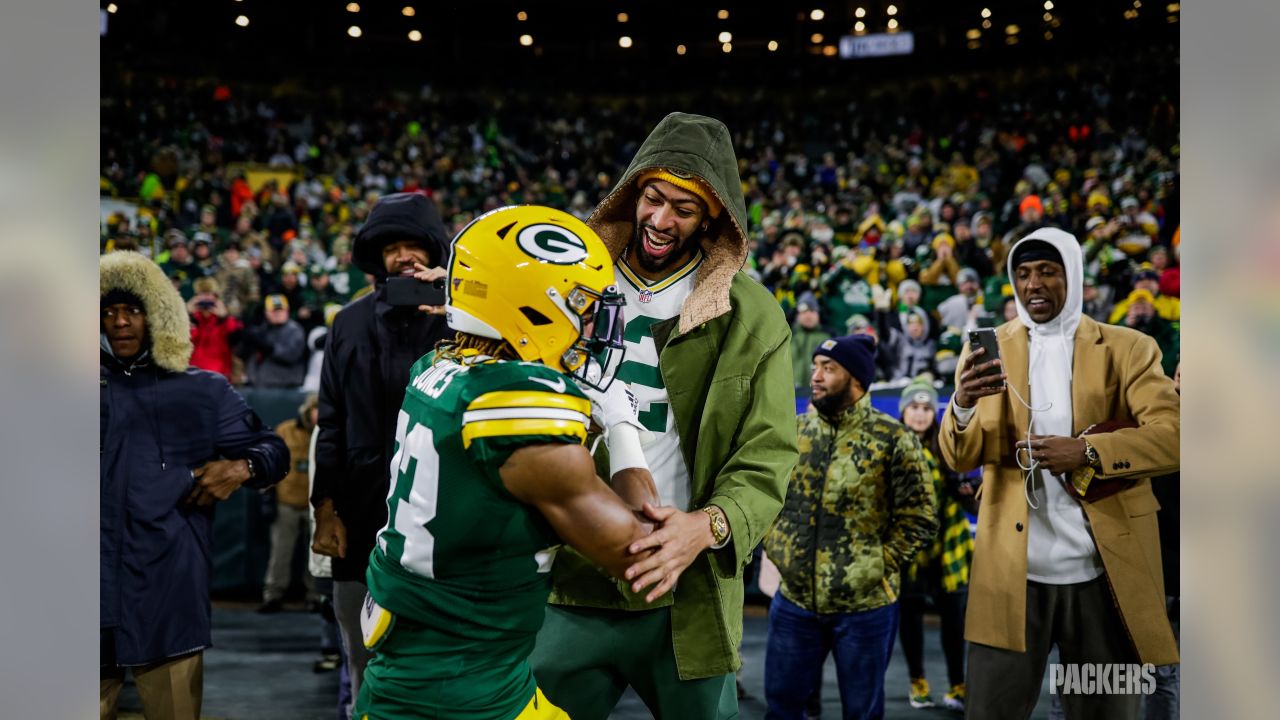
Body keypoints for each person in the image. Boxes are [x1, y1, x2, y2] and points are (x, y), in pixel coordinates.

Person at [531, 111, 799, 720]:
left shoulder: (752, 313)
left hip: (690, 590)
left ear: (712, 218)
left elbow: (769, 452)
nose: (660, 220)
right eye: (653, 198)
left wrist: (707, 526)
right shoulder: (564, 285)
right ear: (632, 194)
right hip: (567, 582)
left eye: (684, 208)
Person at [353, 205, 660, 719]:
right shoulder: (516, 411)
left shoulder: (438, 367)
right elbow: (640, 553)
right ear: (534, 309)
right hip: (456, 695)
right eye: (583, 307)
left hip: (462, 662)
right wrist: (623, 425)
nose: (592, 323)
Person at [939, 228, 1180, 719]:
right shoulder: (989, 348)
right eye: (1023, 274)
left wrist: (1087, 451)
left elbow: (1175, 435)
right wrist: (961, 404)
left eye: (1048, 271)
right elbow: (960, 456)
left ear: (1073, 274)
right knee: (991, 713)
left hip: (1104, 579)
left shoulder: (1129, 347)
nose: (1034, 285)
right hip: (1010, 577)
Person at [100, 251, 288, 720]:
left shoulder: (201, 390)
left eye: (133, 310)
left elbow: (273, 450)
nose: (119, 322)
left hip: (168, 597)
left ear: (157, 313)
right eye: (107, 311)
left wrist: (241, 468)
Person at [309, 191, 452, 716]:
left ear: (435, 250)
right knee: (361, 656)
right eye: (393, 247)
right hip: (361, 515)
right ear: (377, 256)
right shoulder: (346, 323)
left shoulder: (460, 319)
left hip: (444, 519)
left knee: (438, 660)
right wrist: (324, 507)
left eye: (415, 245)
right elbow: (331, 422)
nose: (405, 256)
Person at [762, 335, 937, 720]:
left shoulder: (894, 439)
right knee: (781, 709)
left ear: (856, 379)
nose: (816, 376)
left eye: (828, 368)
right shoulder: (795, 431)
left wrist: (875, 565)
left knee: (862, 713)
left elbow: (920, 516)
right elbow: (767, 496)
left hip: (865, 609)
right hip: (793, 603)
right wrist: (777, 546)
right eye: (814, 367)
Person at [894, 379, 977, 712]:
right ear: (904, 411)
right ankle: (918, 682)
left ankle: (959, 685)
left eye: (926, 408)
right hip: (910, 547)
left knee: (954, 621)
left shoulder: (949, 446)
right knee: (910, 617)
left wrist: (969, 492)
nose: (919, 414)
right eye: (913, 407)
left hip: (948, 546)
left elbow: (970, 501)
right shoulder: (891, 444)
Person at [259, 394, 321, 614]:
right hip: (286, 502)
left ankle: (316, 596)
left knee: (317, 556)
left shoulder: (327, 433)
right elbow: (271, 461)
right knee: (281, 553)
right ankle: (273, 595)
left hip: (315, 504)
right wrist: (268, 494)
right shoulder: (285, 430)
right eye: (315, 409)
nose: (318, 414)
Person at [241, 294, 307, 388]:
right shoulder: (261, 329)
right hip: (259, 384)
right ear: (266, 312)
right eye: (273, 310)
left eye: (281, 310)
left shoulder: (294, 330)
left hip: (285, 386)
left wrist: (270, 348)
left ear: (287, 311)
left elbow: (292, 355)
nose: (277, 313)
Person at [187, 277, 242, 381]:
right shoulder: (192, 319)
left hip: (218, 376)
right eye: (202, 294)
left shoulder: (225, 320)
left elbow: (236, 340)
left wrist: (225, 318)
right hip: (193, 375)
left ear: (216, 297)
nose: (206, 298)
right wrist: (187, 315)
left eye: (209, 294)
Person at [790, 293, 831, 390]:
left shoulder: (828, 339)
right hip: (789, 395)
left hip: (820, 394)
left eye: (812, 311)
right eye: (804, 312)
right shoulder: (788, 337)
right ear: (797, 315)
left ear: (818, 314)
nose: (808, 315)